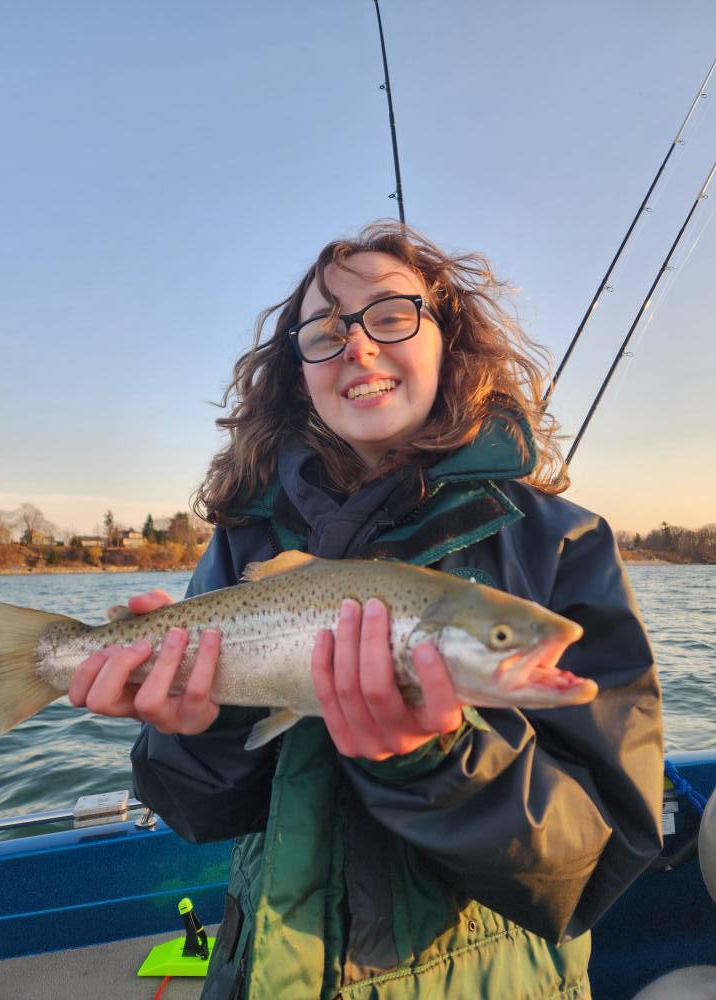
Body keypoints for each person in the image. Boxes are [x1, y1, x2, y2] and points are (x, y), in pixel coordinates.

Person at [69, 220, 663, 1000]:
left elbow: (598, 867)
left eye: (390, 316)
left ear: (448, 337)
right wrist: (194, 731)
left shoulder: (561, 543)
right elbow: (195, 811)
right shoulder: (245, 538)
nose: (358, 346)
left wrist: (439, 763)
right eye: (324, 330)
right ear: (298, 371)